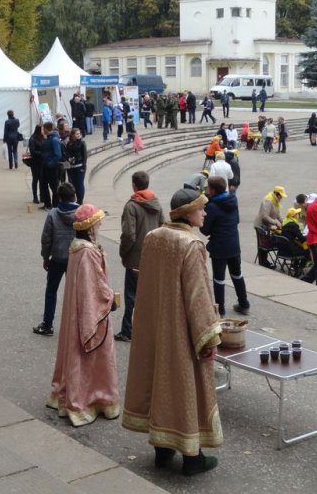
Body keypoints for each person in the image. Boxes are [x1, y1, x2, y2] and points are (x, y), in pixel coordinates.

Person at [122, 188, 222, 476]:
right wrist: (209, 335)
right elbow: (198, 296)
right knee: (184, 389)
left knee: (158, 383)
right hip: (180, 331)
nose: (205, 213)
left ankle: (162, 451)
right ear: (187, 213)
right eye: (201, 208)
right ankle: (193, 457)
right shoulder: (192, 244)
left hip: (153, 327)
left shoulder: (153, 237)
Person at [46, 203, 120, 426]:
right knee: (93, 355)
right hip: (90, 311)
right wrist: (108, 299)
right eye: (98, 222)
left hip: (77, 310)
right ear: (90, 227)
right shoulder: (87, 252)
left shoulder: (77, 248)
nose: (100, 225)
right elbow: (92, 287)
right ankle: (92, 397)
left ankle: (78, 394)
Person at [116, 171, 165, 342]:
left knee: (131, 296)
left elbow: (129, 234)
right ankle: (150, 329)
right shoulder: (156, 203)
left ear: (134, 185)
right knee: (149, 294)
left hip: (136, 257)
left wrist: (124, 251)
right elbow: (162, 226)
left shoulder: (132, 206)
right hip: (152, 255)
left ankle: (128, 331)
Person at [33, 183, 79, 336]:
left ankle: (48, 324)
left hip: (58, 257)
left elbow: (46, 239)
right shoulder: (81, 212)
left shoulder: (53, 214)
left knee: (51, 291)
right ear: (74, 196)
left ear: (59, 197)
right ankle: (77, 325)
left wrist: (46, 257)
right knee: (76, 292)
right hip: (76, 256)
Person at [200, 176, 249, 316]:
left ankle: (220, 310)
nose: (207, 190)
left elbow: (205, 230)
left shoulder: (212, 206)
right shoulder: (233, 200)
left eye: (208, 188)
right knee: (237, 274)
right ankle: (244, 303)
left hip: (219, 247)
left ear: (213, 190)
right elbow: (237, 220)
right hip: (234, 244)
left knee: (219, 279)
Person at [40, 121, 62, 210]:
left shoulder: (54, 140)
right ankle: (48, 204)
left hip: (51, 167)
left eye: (43, 129)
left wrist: (50, 163)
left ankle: (55, 205)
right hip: (46, 166)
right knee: (43, 185)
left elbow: (58, 154)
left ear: (45, 129)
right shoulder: (49, 138)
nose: (42, 130)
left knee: (54, 186)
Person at [65, 128, 87, 204]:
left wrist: (83, 167)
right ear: (72, 135)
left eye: (79, 134)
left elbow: (84, 156)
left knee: (79, 184)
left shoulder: (82, 143)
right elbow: (67, 153)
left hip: (79, 166)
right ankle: (73, 200)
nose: (79, 135)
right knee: (72, 184)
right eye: (77, 134)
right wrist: (69, 159)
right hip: (71, 167)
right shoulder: (69, 143)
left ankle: (80, 201)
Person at [28, 125, 45, 205]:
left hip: (42, 162)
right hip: (35, 162)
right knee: (35, 179)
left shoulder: (43, 137)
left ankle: (42, 196)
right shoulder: (32, 139)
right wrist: (42, 153)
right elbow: (32, 151)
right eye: (42, 129)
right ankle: (35, 197)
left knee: (42, 179)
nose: (43, 131)